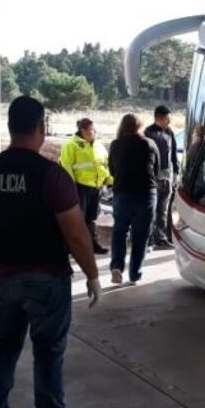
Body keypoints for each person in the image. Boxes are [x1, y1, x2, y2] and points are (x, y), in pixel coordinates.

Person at [0, 96, 101, 408]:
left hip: (0, 275)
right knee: (47, 354)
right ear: (41, 127)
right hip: (46, 278)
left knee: (4, 348)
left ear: (10, 127)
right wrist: (92, 274)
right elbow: (75, 232)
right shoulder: (50, 175)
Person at [108, 113, 159, 284]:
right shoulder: (149, 143)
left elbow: (112, 171)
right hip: (145, 194)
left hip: (122, 193)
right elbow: (157, 170)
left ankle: (116, 267)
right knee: (140, 234)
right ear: (140, 126)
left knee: (119, 231)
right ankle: (135, 273)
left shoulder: (115, 145)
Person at [59, 117, 112, 254]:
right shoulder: (71, 145)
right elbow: (66, 166)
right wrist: (71, 187)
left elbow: (105, 164)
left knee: (92, 218)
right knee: (77, 218)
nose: (94, 132)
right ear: (82, 130)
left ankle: (92, 244)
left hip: (96, 186)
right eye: (92, 129)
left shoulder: (99, 145)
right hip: (79, 186)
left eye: (95, 129)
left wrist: (109, 180)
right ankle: (71, 247)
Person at [144, 105, 179, 249]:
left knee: (164, 209)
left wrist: (176, 172)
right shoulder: (148, 132)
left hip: (168, 174)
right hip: (153, 176)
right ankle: (150, 239)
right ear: (160, 117)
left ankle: (162, 238)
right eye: (168, 117)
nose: (170, 120)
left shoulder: (169, 132)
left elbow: (174, 153)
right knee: (151, 209)